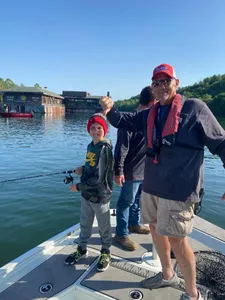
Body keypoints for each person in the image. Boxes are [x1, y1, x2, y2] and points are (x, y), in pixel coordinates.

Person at [99, 63, 225, 300]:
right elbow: (124, 121)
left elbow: (221, 143)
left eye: (166, 81)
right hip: (152, 186)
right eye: (156, 82)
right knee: (155, 230)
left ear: (176, 83)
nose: (161, 86)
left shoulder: (195, 108)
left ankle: (192, 294)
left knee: (178, 241)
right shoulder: (150, 113)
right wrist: (111, 108)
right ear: (152, 88)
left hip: (180, 190)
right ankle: (167, 274)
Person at [64, 113, 113, 272]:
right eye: (93, 128)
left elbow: (99, 178)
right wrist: (82, 169)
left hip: (100, 196)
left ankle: (105, 252)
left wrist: (78, 187)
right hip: (86, 196)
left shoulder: (106, 149)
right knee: (84, 224)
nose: (96, 130)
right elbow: (92, 168)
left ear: (104, 130)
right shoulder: (90, 146)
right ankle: (81, 249)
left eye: (100, 128)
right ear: (89, 130)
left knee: (104, 227)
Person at [114, 86, 156, 251]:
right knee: (125, 202)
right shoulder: (130, 120)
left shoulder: (150, 120)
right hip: (130, 172)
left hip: (144, 171)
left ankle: (133, 224)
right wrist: (118, 171)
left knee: (137, 200)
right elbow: (121, 148)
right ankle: (121, 233)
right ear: (154, 102)